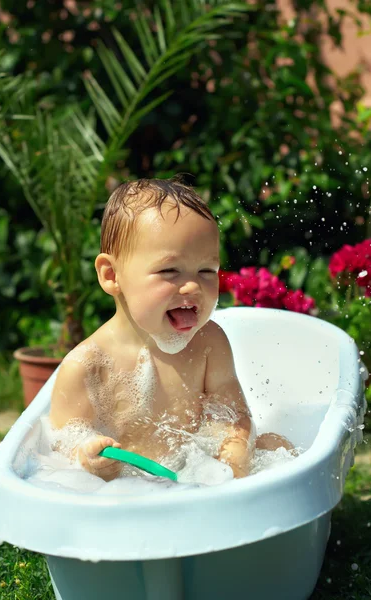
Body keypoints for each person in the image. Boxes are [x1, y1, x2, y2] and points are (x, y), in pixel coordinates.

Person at [49, 176, 292, 481]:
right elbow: (60, 446)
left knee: (276, 446)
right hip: (127, 489)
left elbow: (233, 416)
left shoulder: (209, 343)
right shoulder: (85, 367)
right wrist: (86, 455)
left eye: (207, 271)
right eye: (169, 270)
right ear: (111, 275)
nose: (192, 285)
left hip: (193, 472)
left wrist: (232, 457)